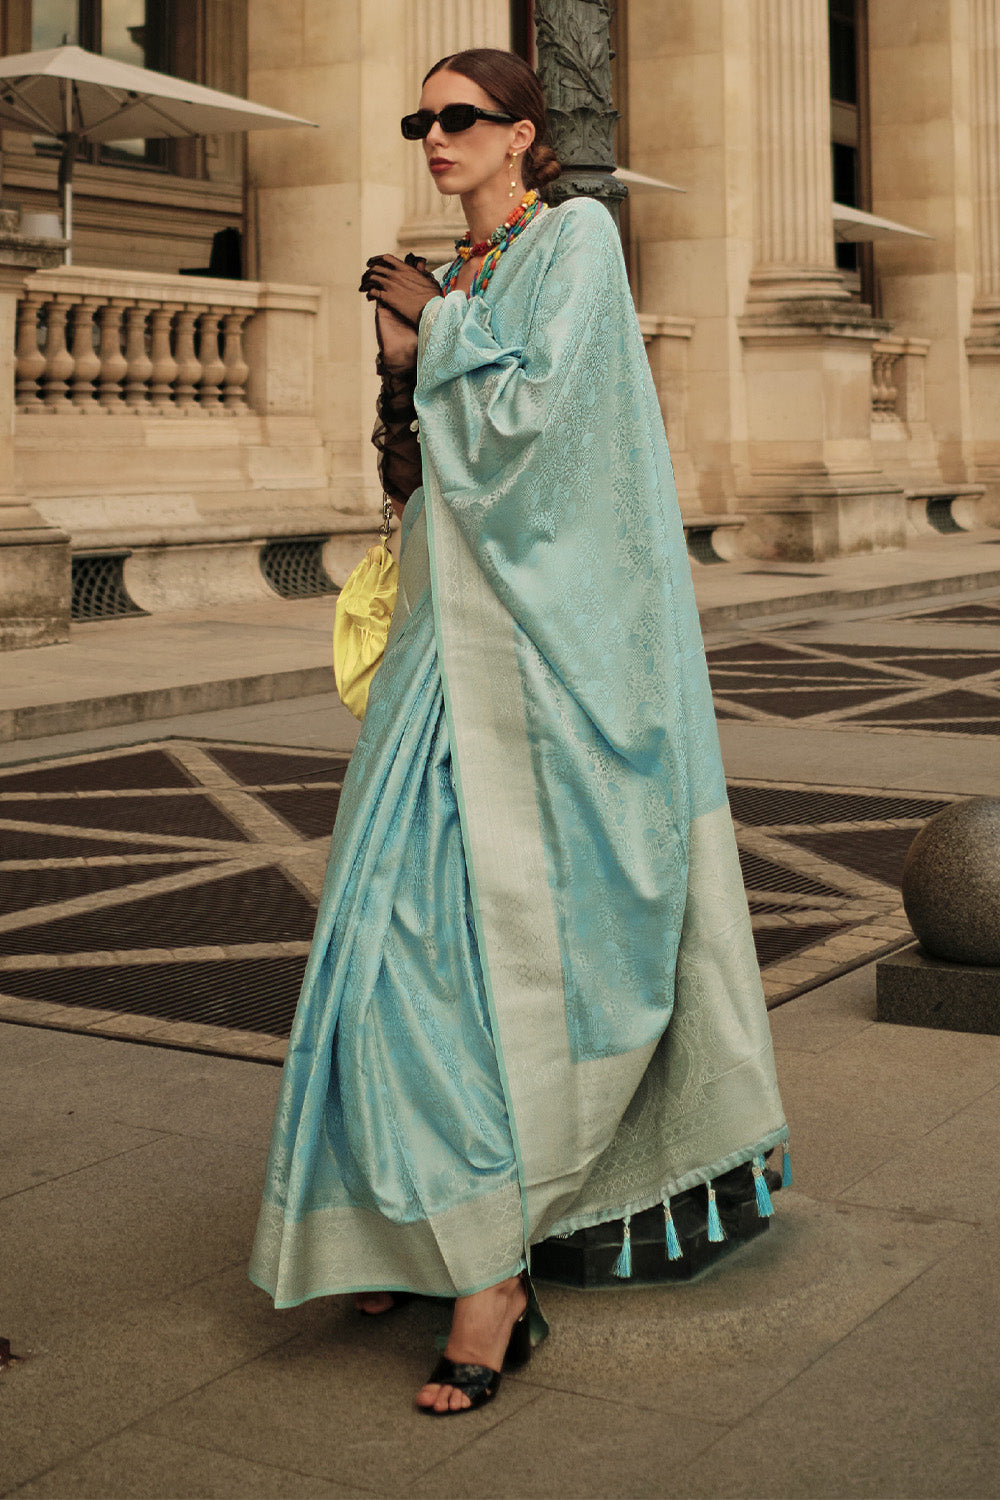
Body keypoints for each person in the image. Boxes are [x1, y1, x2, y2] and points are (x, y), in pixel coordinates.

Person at [250, 47, 789, 1417]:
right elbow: (431, 466)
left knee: (499, 964)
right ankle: (410, 1218)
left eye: (459, 119)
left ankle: (493, 1283)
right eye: (420, 120)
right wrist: (401, 367)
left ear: (523, 135)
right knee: (384, 948)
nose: (434, 137)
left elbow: (545, 431)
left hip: (552, 671)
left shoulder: (578, 241)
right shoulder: (462, 274)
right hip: (447, 648)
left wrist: (438, 330)